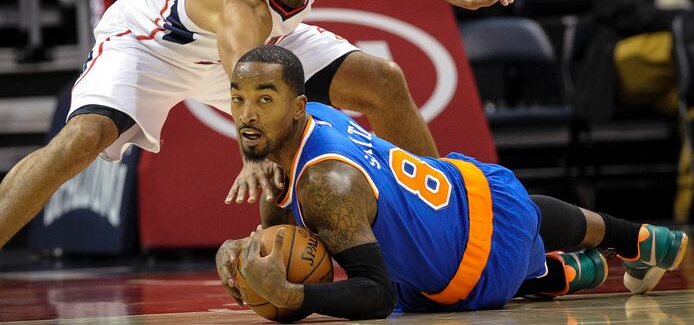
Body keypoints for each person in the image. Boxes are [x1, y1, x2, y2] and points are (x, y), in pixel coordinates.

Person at [0, 0, 515, 323]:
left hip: (245, 52)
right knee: (80, 141)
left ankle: (449, 224)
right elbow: (246, 82)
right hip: (151, 44)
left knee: (382, 79)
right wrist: (250, 152)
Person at [216, 45, 689, 319]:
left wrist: (290, 295)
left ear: (296, 106)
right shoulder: (316, 118)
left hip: (464, 268)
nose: (247, 115)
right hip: (453, 192)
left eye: (264, 99)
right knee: (523, 213)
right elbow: (284, 224)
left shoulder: (326, 184)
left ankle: (566, 269)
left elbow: (376, 294)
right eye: (238, 100)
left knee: (515, 229)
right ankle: (640, 241)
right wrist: (240, 255)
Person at [579, 0, 694, 222]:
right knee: (678, 40)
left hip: (680, 75)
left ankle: (686, 209)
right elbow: (638, 16)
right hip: (629, 68)